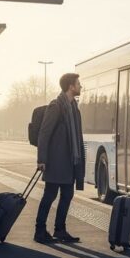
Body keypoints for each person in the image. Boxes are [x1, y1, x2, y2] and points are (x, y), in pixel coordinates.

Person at [34, 73, 85, 244]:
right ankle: (40, 230)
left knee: (67, 195)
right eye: (78, 83)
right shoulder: (56, 106)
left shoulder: (74, 108)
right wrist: (42, 159)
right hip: (56, 161)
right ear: (71, 86)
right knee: (50, 195)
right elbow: (44, 133)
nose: (80, 86)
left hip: (70, 161)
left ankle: (59, 230)